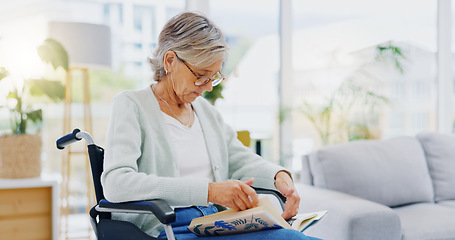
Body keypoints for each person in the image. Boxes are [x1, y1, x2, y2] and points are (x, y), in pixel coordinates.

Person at [101, 11, 321, 240]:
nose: (207, 87)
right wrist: (210, 191)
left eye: (213, 77)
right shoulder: (131, 105)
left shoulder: (206, 112)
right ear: (170, 61)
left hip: (216, 222)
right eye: (201, 75)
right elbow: (117, 183)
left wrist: (279, 176)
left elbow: (241, 160)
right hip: (168, 228)